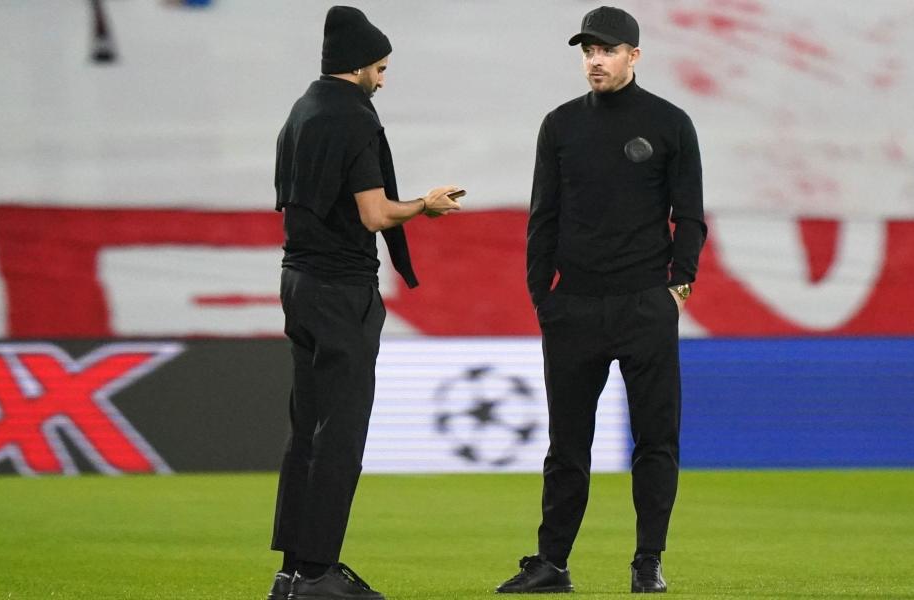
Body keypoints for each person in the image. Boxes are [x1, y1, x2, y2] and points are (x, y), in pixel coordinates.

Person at [495, 6, 706, 595]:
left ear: (634, 56)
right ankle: (552, 564)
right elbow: (544, 218)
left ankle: (648, 561)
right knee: (567, 446)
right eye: (588, 49)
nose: (595, 59)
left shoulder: (670, 123)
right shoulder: (560, 125)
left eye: (608, 50)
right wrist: (544, 297)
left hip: (645, 305)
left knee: (656, 441)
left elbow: (688, 215)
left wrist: (678, 288)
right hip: (575, 309)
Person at [266, 6, 462, 600]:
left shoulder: (301, 112)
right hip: (340, 288)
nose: (383, 76)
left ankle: (294, 572)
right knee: (342, 433)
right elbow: (375, 214)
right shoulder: (353, 118)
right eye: (380, 66)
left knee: (307, 430)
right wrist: (424, 205)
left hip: (297, 282)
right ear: (358, 65)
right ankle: (321, 572)